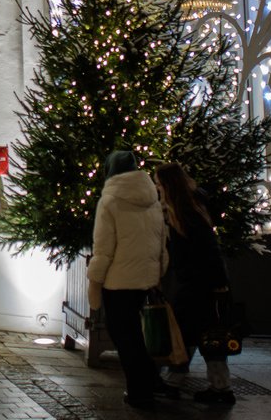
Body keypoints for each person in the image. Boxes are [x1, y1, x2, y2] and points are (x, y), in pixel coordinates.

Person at [88, 150, 178, 409]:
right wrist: (158, 272)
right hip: (145, 280)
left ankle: (140, 392)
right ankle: (152, 381)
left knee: (125, 338)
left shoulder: (110, 201)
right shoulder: (151, 198)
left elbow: (103, 249)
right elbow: (161, 241)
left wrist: (95, 282)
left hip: (118, 281)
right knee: (135, 336)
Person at [154, 162, 235, 405]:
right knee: (196, 335)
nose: (157, 189)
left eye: (159, 184)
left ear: (169, 185)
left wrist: (218, 285)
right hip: (198, 283)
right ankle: (216, 386)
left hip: (200, 285)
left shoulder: (187, 213)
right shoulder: (187, 209)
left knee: (198, 335)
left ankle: (201, 386)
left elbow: (208, 251)